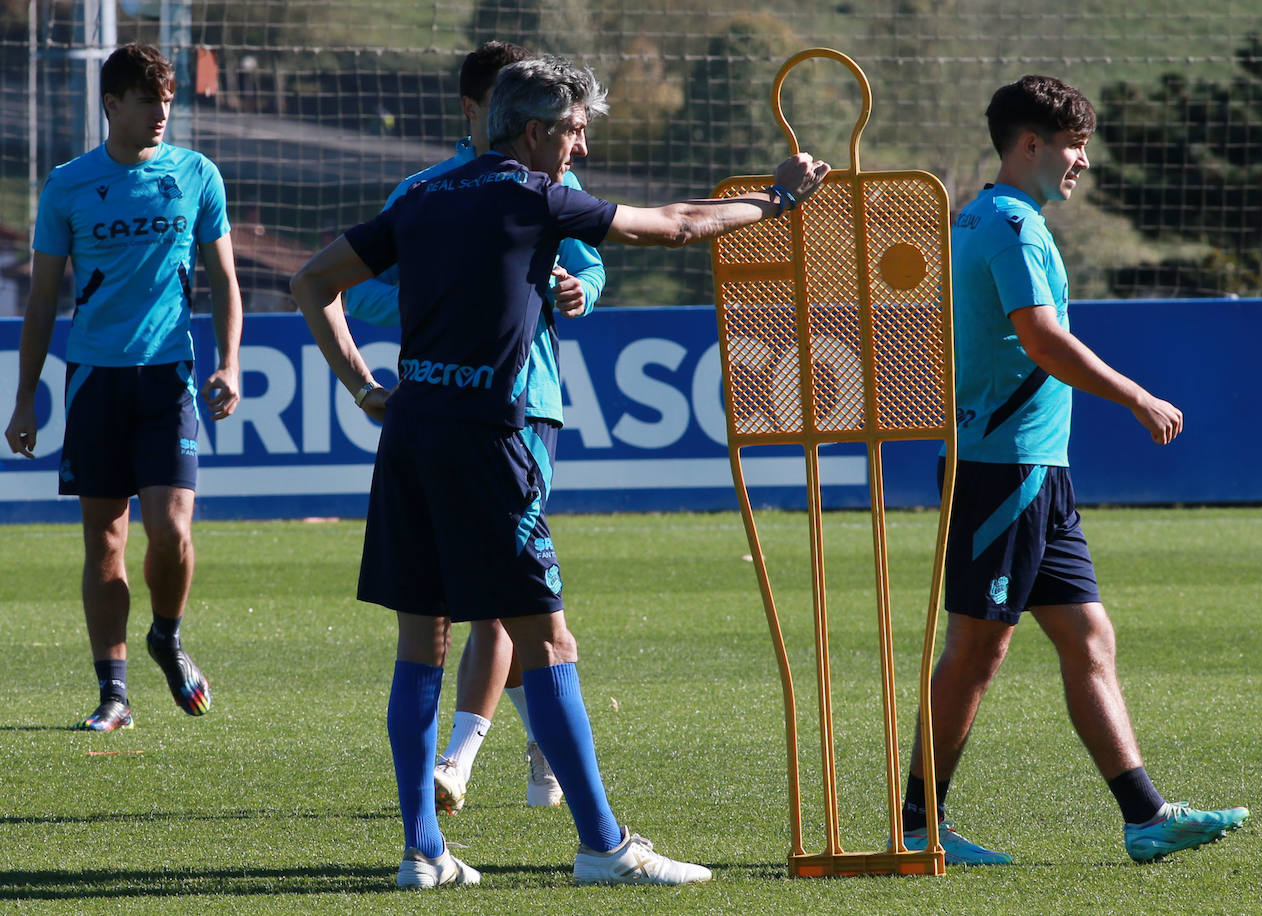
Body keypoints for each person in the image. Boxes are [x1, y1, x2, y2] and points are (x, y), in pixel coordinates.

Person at [291, 55, 828, 888]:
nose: (579, 149)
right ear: (536, 130)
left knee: (419, 644)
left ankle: (423, 852)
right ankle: (605, 847)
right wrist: (779, 198)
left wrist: (366, 386)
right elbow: (678, 224)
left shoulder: (427, 196)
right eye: (574, 131)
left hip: (413, 437)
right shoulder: (529, 195)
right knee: (548, 636)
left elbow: (312, 279)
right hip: (488, 441)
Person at [898, 75, 1249, 865]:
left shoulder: (991, 217)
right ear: (1030, 144)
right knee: (977, 649)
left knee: (1090, 637)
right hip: (1002, 468)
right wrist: (1134, 395)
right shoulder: (1011, 226)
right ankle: (916, 823)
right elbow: (1042, 340)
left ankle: (1145, 816)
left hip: (1035, 470)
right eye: (1073, 145)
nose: (1082, 162)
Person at [344, 40, 601, 815]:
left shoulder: (554, 183)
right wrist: (452, 300)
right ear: (479, 111)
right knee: (497, 600)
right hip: (456, 408)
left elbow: (590, 267)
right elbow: (360, 298)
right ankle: (513, 749)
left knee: (492, 599)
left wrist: (573, 287)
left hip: (531, 404)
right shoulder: (421, 193)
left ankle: (454, 772)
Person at [3, 43, 242, 732]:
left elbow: (225, 280)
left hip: (169, 377)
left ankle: (165, 636)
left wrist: (229, 363)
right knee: (104, 542)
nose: (162, 113)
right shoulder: (68, 184)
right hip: (94, 382)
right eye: (148, 101)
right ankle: (114, 693)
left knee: (169, 529)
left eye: (168, 100)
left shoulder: (196, 174)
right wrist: (26, 397)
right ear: (112, 105)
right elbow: (44, 298)